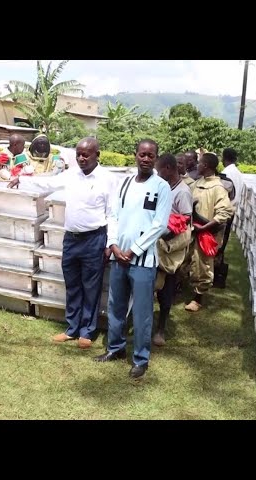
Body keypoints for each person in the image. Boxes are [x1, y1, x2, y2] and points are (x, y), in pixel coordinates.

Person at [8, 137, 117, 349]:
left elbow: (113, 213)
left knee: (91, 287)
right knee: (73, 285)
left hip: (94, 239)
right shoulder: (71, 175)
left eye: (86, 154)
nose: (81, 158)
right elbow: (48, 182)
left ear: (97, 155)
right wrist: (22, 179)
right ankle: (72, 328)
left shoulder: (107, 179)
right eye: (78, 154)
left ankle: (87, 331)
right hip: (71, 239)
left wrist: (110, 243)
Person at [93, 139, 171, 380]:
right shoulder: (125, 183)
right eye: (142, 154)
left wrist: (134, 250)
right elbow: (114, 215)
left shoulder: (161, 187)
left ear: (156, 158)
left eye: (151, 155)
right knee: (116, 306)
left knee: (141, 311)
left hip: (142, 261)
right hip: (119, 258)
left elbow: (159, 225)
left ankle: (140, 359)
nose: (146, 159)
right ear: (135, 155)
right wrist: (114, 245)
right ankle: (115, 348)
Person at [184, 153, 234, 312]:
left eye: (199, 163)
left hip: (206, 234)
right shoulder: (197, 183)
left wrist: (205, 227)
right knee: (186, 260)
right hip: (191, 231)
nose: (197, 166)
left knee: (203, 265)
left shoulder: (218, 188)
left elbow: (224, 213)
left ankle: (198, 297)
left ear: (205, 166)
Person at [153, 153, 193, 346]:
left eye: (159, 170)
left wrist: (165, 233)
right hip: (157, 242)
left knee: (167, 287)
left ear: (168, 169)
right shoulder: (163, 187)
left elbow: (185, 219)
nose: (157, 173)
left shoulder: (183, 191)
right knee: (152, 282)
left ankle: (161, 328)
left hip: (171, 247)